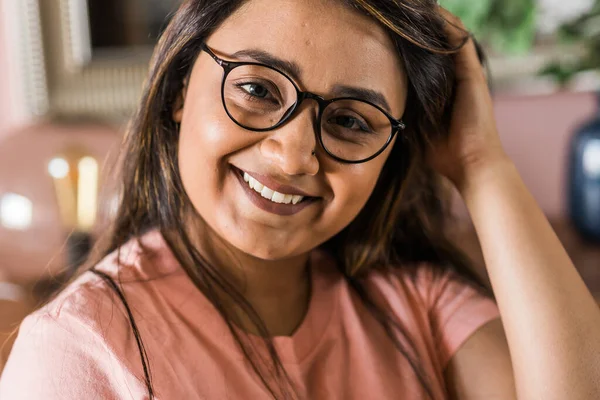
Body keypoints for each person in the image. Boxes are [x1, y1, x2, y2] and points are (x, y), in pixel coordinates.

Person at [1, 0, 599, 399]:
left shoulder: (415, 307)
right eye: (257, 88)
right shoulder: (80, 351)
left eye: (349, 120)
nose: (293, 157)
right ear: (182, 85)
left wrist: (481, 165)